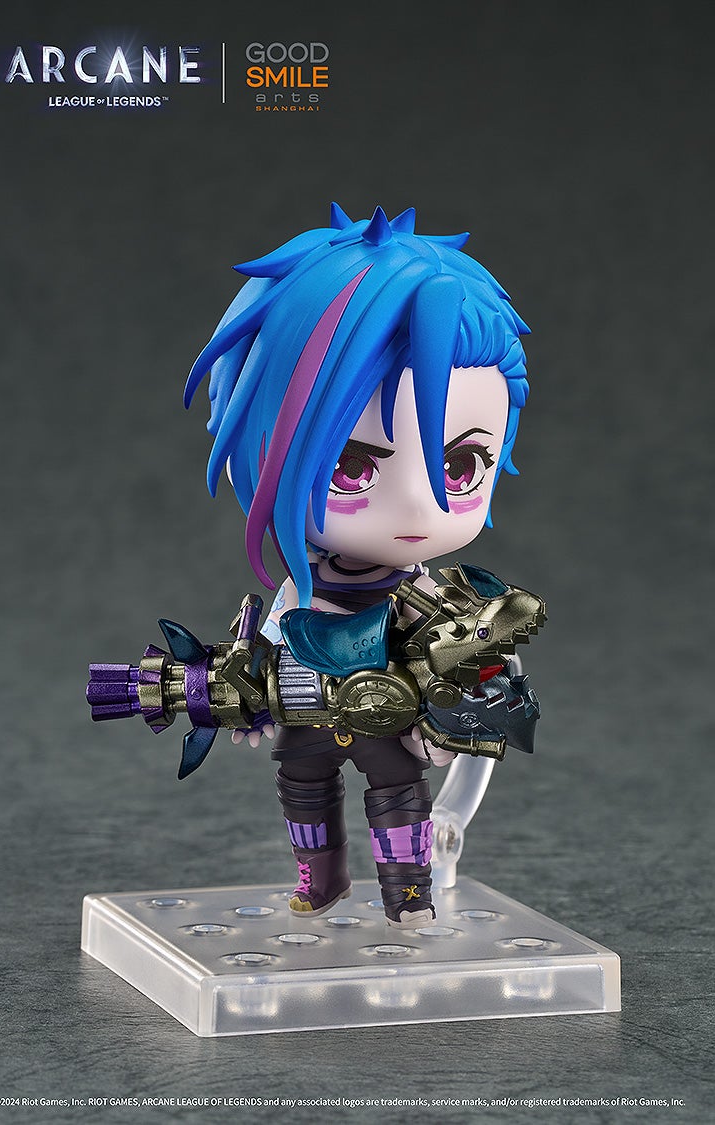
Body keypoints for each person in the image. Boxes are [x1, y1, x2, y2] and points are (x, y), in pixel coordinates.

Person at [184, 204, 530, 927]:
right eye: (351, 466)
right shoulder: (299, 596)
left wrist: (456, 797)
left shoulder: (437, 603)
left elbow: (491, 711)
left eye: (460, 466)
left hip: (394, 730)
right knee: (302, 792)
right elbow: (267, 649)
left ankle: (409, 894)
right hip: (308, 718)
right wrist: (247, 691)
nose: (420, 506)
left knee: (401, 804)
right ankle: (321, 882)